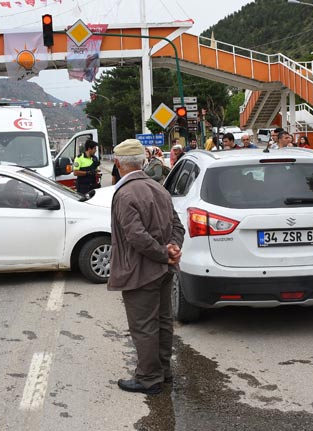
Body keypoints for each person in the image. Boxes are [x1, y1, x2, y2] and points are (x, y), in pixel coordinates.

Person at [108, 138, 185, 395]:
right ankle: (163, 372)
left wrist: (164, 254)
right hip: (164, 270)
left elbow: (136, 237)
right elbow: (177, 226)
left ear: (118, 163)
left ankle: (149, 378)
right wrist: (172, 248)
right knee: (163, 322)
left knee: (144, 325)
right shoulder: (158, 188)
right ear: (142, 162)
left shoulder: (125, 193)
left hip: (141, 271)